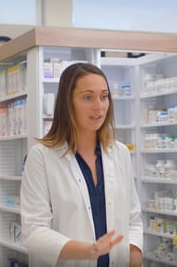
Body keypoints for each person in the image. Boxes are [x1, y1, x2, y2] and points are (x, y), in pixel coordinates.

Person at [20, 62, 143, 267]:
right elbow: (34, 231)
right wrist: (89, 251)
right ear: (68, 104)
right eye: (88, 97)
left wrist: (135, 258)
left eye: (104, 96)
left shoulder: (120, 153)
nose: (99, 106)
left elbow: (133, 219)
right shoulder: (41, 157)